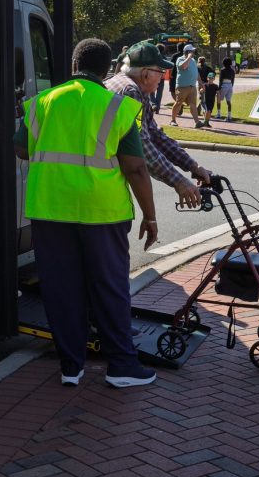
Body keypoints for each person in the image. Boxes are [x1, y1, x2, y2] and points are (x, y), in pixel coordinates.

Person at [14, 38, 159, 388]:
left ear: (74, 64)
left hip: (50, 210)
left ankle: (70, 366)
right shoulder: (116, 107)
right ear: (107, 68)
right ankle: (122, 366)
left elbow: (21, 150)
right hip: (101, 213)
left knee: (62, 288)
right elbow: (137, 168)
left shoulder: (41, 103)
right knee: (109, 287)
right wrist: (150, 216)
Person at [106, 41, 214, 209]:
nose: (164, 76)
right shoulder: (130, 92)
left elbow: (155, 134)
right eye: (161, 71)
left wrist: (192, 166)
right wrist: (179, 182)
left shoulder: (132, 88)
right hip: (103, 189)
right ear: (145, 73)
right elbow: (142, 146)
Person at [171, 44, 201, 127]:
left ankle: (197, 122)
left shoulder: (193, 60)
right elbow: (183, 66)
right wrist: (188, 57)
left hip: (192, 86)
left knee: (193, 105)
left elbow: (196, 73)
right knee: (178, 103)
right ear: (187, 52)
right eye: (192, 51)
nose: (193, 52)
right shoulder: (180, 59)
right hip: (182, 86)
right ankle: (173, 120)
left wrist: (201, 84)